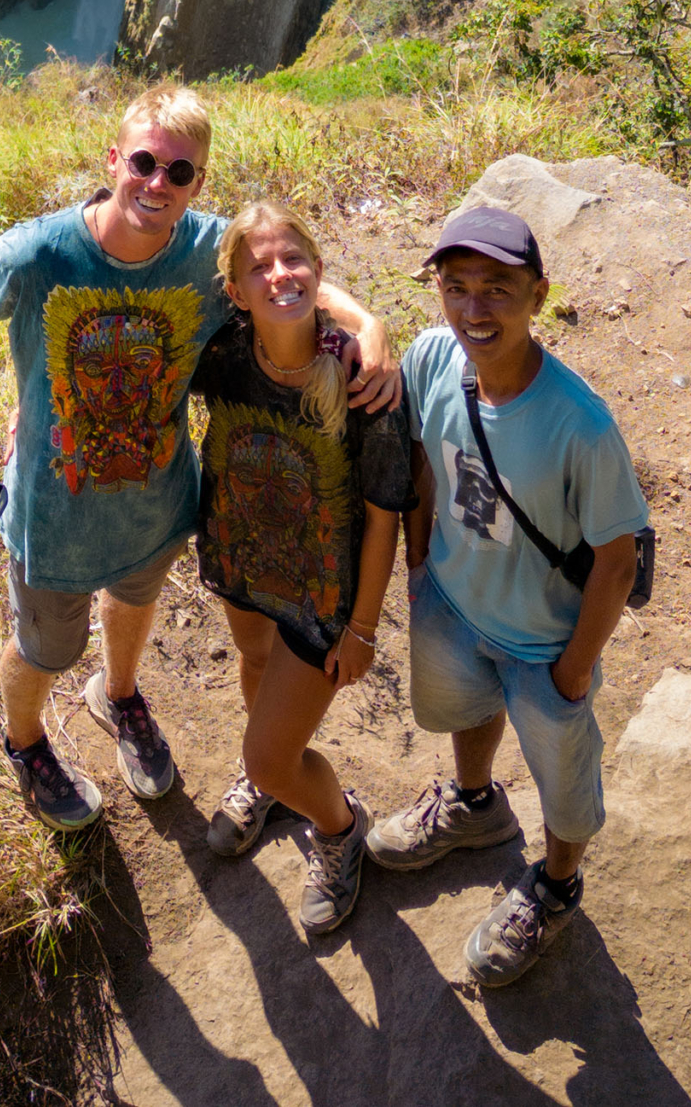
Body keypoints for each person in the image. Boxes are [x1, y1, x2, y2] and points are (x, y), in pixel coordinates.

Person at [0, 85, 399, 832]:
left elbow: (288, 272)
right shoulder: (39, 251)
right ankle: (25, 741)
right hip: (53, 519)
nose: (159, 184)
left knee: (134, 601)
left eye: (180, 172)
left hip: (158, 504)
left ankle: (120, 695)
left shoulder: (206, 252)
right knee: (44, 648)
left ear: (200, 181)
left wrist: (371, 325)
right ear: (114, 161)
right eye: (144, 163)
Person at [365, 205, 650, 988]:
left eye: (497, 289)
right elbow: (425, 458)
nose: (474, 309)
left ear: (538, 297)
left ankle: (556, 886)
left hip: (544, 642)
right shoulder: (431, 358)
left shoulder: (579, 424)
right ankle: (473, 803)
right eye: (456, 288)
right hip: (454, 601)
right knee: (462, 709)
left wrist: (574, 669)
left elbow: (618, 563)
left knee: (564, 780)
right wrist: (421, 565)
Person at [192, 202, 411, 935]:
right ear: (234, 288)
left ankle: (339, 826)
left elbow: (384, 514)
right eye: (258, 265)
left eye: (293, 260)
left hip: (325, 592)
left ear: (319, 271)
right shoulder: (219, 350)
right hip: (244, 555)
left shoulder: (362, 379)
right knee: (254, 660)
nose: (278, 274)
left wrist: (365, 628)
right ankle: (273, 778)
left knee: (270, 755)